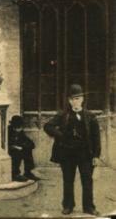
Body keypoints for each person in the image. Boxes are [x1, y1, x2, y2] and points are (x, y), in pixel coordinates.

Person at [44, 84, 101, 216]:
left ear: (82, 100)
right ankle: (68, 206)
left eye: (78, 98)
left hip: (85, 154)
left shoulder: (90, 116)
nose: (75, 101)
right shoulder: (63, 115)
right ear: (69, 101)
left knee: (87, 181)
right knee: (68, 180)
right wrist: (61, 135)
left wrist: (96, 155)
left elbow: (96, 137)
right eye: (72, 99)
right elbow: (48, 126)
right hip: (67, 154)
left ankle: (89, 207)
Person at [8, 115, 39, 182]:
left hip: (18, 148)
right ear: (13, 126)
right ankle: (15, 174)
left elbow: (28, 142)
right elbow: (7, 144)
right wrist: (15, 146)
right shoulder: (8, 131)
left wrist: (27, 146)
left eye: (20, 127)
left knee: (27, 150)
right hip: (10, 150)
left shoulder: (20, 132)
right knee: (17, 153)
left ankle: (28, 172)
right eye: (18, 127)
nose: (19, 128)